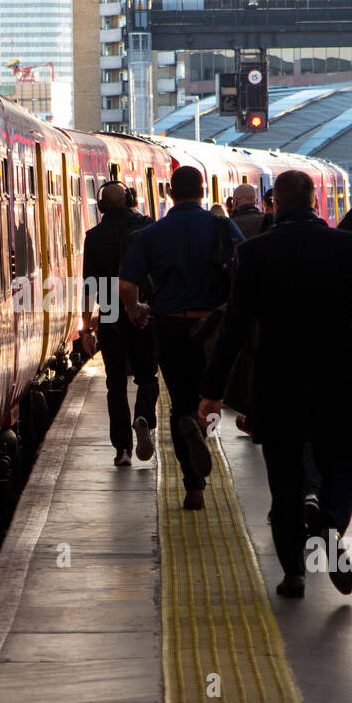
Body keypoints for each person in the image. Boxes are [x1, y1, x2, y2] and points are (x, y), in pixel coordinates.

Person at [198, 170, 352, 598]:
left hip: (276, 384)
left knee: (284, 479)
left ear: (274, 204)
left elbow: (235, 328)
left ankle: (293, 574)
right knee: (340, 462)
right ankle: (332, 523)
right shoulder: (351, 248)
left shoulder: (256, 254)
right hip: (335, 380)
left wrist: (211, 391)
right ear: (316, 200)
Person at [120, 165, 244, 510]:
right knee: (210, 393)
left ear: (170, 193)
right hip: (212, 327)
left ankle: (194, 486)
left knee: (179, 402)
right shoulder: (222, 226)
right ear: (203, 192)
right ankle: (202, 428)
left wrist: (136, 310)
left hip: (169, 325)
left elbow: (126, 286)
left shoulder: (151, 233)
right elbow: (246, 265)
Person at [82, 181, 158, 466]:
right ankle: (143, 416)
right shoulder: (147, 227)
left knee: (115, 383)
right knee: (147, 375)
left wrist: (87, 328)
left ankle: (122, 450)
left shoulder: (94, 236)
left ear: (101, 206)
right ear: (129, 199)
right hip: (141, 308)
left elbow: (89, 284)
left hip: (111, 310)